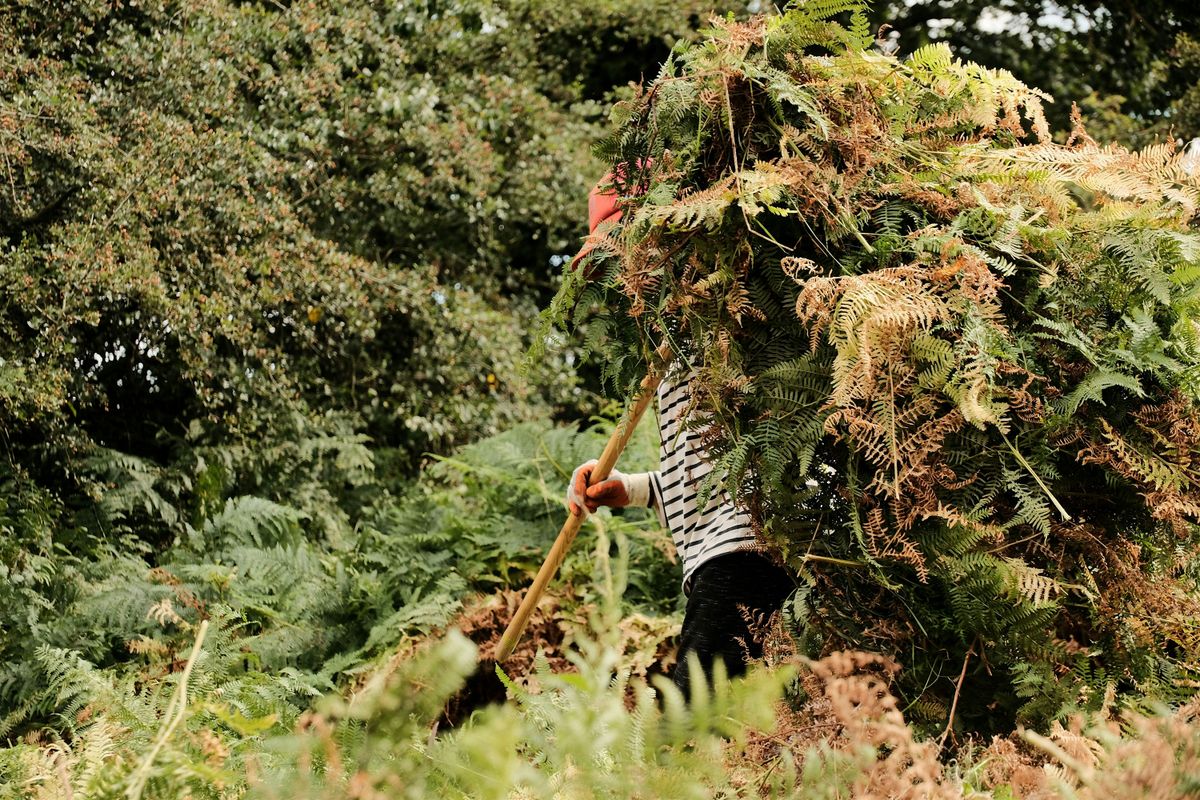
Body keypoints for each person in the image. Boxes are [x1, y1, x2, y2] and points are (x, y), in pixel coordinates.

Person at [566, 172, 795, 697]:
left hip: (743, 551)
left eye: (630, 252)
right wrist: (635, 488)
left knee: (686, 743)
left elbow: (763, 446)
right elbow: (713, 460)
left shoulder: (724, 311)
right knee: (751, 746)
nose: (624, 277)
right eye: (613, 264)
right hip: (722, 557)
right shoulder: (669, 341)